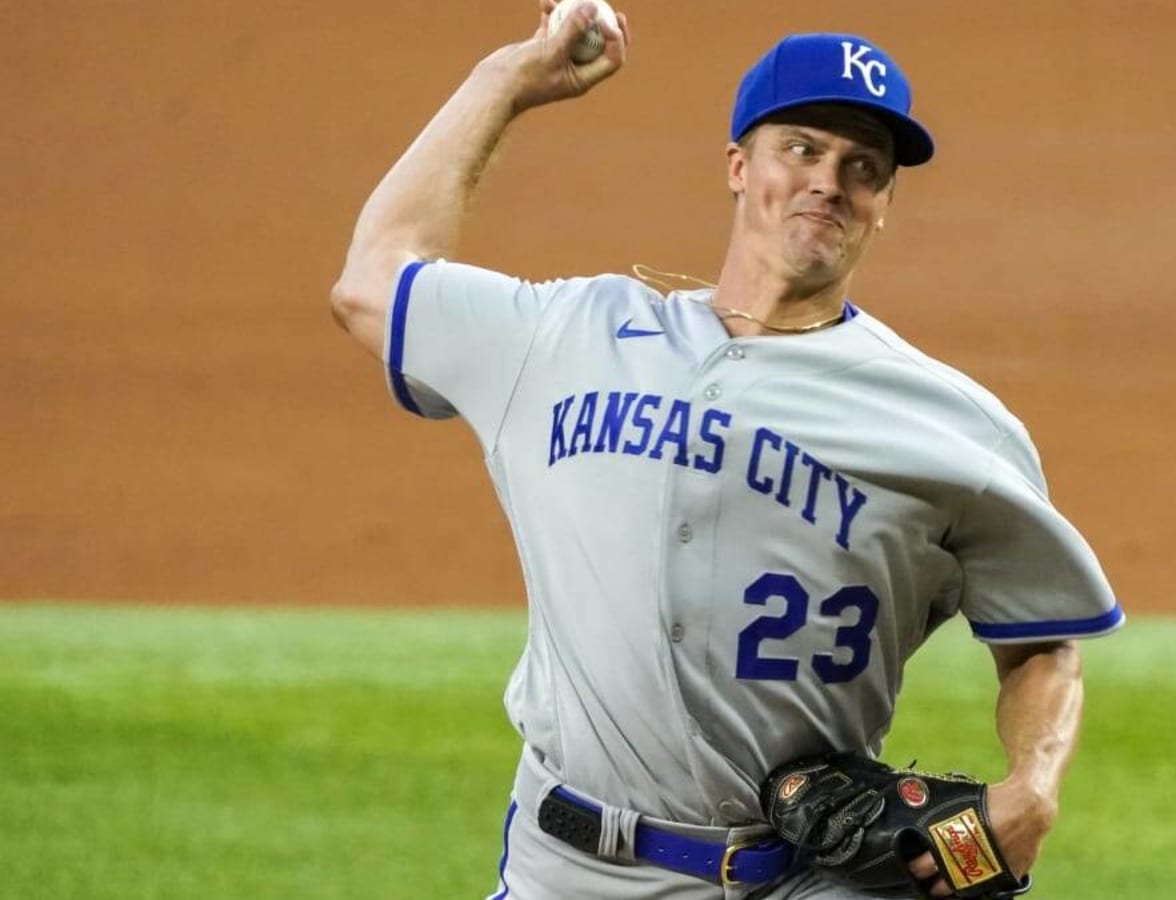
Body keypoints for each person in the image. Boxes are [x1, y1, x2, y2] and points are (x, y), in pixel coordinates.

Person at [331, 3, 1124, 897]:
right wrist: (507, 81)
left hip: (806, 878)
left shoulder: (951, 425)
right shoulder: (565, 336)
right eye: (802, 148)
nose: (830, 180)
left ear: (883, 206)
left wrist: (1033, 792)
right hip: (567, 870)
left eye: (863, 167)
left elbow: (1045, 643)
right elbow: (372, 280)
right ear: (739, 167)